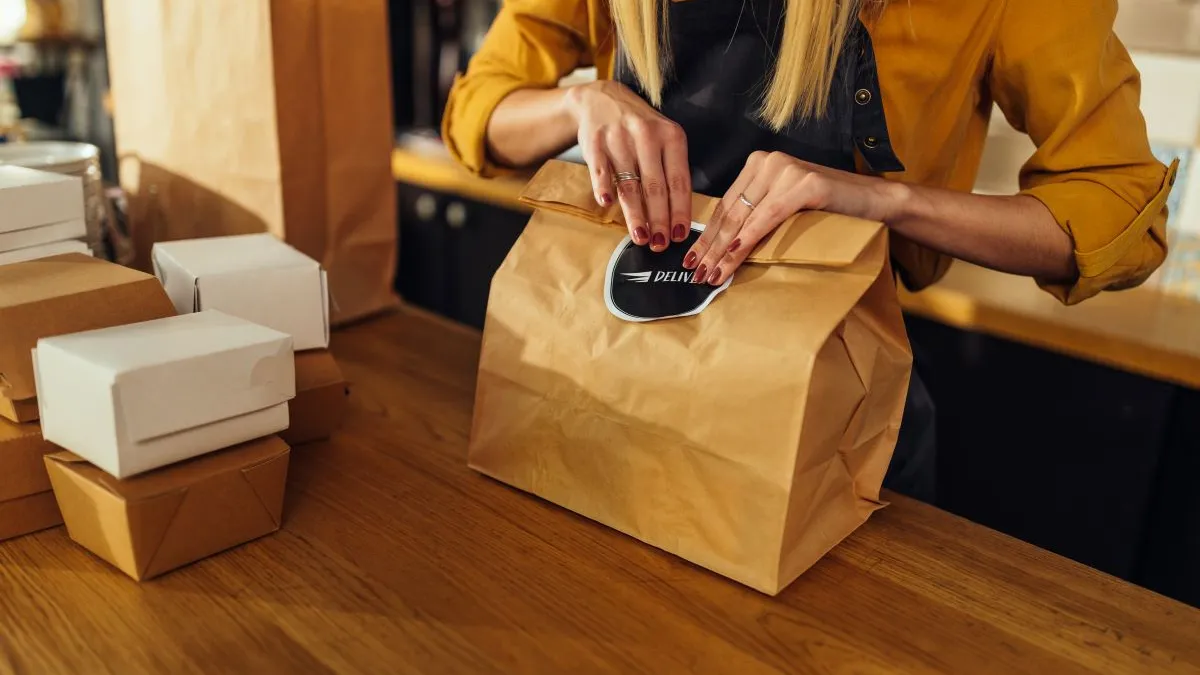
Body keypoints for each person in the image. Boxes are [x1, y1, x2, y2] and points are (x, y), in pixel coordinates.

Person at [441, 0, 1176, 504]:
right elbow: (477, 111)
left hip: (831, 417)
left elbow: (1122, 213)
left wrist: (888, 201)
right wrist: (580, 103)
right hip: (619, 379)